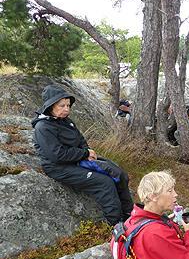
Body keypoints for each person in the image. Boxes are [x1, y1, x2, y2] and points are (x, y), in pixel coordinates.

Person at [32, 84, 133, 225]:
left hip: (78, 160)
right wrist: (84, 153)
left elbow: (80, 140)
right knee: (104, 182)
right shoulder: (43, 127)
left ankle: (130, 214)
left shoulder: (67, 122)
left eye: (68, 105)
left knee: (118, 173)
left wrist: (88, 153)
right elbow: (57, 155)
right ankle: (117, 223)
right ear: (50, 106)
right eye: (62, 106)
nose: (66, 109)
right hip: (59, 168)